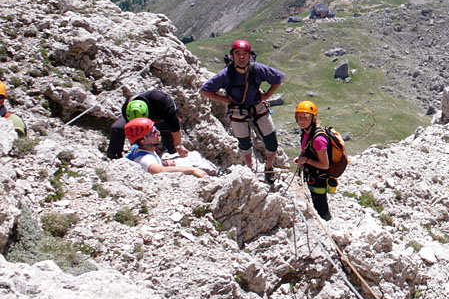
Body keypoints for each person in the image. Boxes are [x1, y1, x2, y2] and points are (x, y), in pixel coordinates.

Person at [199, 39, 284, 184]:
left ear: (250, 55)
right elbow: (204, 90)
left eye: (245, 53)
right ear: (232, 56)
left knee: (271, 141)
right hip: (237, 109)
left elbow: (278, 78)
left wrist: (266, 96)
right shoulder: (226, 74)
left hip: (257, 106)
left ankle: (269, 166)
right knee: (244, 143)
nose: (241, 56)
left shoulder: (257, 69)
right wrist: (225, 100)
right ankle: (250, 168)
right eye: (237, 53)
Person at [293, 101, 347, 221]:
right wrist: (301, 158)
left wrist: (305, 160)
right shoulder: (306, 132)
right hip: (313, 175)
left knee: (320, 206)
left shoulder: (318, 140)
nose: (301, 121)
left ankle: (326, 223)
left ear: (313, 118)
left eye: (305, 117)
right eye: (299, 117)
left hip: (319, 178)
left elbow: (324, 165)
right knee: (317, 201)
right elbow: (306, 149)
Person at [107, 90, 187, 160]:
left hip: (161, 118)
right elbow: (135, 134)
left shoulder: (161, 101)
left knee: (172, 148)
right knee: (117, 128)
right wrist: (149, 146)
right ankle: (114, 157)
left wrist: (178, 146)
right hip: (143, 119)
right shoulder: (127, 109)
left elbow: (175, 128)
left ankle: (168, 148)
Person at [124, 118, 206, 178]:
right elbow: (160, 170)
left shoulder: (138, 148)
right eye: (153, 132)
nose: (157, 132)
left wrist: (164, 163)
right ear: (144, 141)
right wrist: (191, 170)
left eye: (155, 128)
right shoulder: (146, 159)